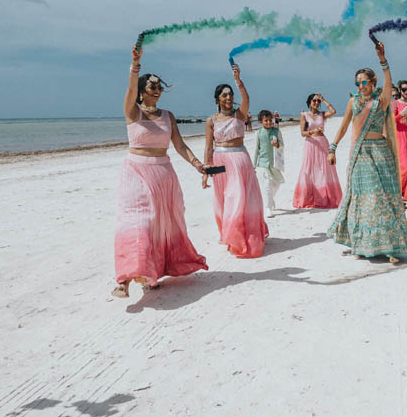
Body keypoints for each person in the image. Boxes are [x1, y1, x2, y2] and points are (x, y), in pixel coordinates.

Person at [112, 45, 207, 298]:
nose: (158, 89)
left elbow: (180, 145)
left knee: (159, 224)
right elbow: (130, 88)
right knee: (137, 221)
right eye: (153, 86)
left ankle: (150, 273)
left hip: (163, 173)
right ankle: (124, 280)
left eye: (159, 86)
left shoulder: (168, 115)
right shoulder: (133, 112)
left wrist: (198, 164)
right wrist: (135, 65)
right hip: (136, 172)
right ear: (142, 91)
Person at [327, 40, 407, 263]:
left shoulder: (381, 101)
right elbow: (344, 126)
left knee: (384, 198)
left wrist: (382, 59)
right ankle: (362, 244)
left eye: (365, 82)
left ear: (373, 83)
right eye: (358, 83)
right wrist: (332, 147)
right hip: (361, 154)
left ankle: (392, 247)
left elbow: (389, 83)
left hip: (381, 153)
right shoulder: (353, 103)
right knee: (364, 199)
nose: (361, 86)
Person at [201, 66, 269, 258]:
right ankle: (230, 235)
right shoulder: (211, 120)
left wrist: (239, 80)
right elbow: (208, 147)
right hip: (219, 160)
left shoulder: (240, 114)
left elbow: (246, 99)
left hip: (239, 159)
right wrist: (206, 172)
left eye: (230, 94)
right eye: (224, 95)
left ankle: (242, 236)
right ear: (217, 100)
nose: (228, 98)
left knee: (238, 197)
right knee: (223, 199)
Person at [293, 94, 343, 209]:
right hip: (310, 143)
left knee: (324, 169)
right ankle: (309, 197)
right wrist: (313, 131)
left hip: (322, 142)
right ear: (309, 102)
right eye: (314, 100)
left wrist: (324, 100)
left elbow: (333, 111)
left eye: (318, 101)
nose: (316, 103)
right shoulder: (304, 115)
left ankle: (326, 197)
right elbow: (302, 133)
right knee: (309, 169)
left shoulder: (322, 114)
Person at [252, 110, 284, 218]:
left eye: (270, 120)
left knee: (276, 184)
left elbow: (282, 145)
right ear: (261, 121)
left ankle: (270, 200)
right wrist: (253, 165)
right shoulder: (258, 133)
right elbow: (256, 150)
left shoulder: (277, 131)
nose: (269, 122)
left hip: (274, 163)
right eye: (266, 120)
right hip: (263, 164)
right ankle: (267, 208)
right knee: (267, 185)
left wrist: (277, 144)